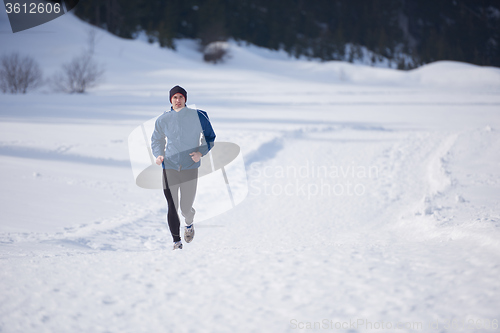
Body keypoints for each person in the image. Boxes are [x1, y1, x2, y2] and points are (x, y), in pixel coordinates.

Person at [151, 85, 216, 250]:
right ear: (170, 100)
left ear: (185, 99)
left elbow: (209, 138)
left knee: (185, 207)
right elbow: (156, 139)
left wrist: (200, 153)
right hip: (170, 167)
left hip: (189, 167)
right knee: (172, 205)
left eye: (180, 97)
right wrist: (159, 154)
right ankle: (176, 242)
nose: (177, 100)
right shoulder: (163, 119)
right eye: (174, 98)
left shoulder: (199, 116)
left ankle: (189, 223)